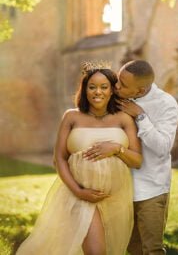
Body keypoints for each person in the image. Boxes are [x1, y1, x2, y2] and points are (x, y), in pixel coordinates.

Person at [16, 62, 142, 255]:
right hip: (81, 197)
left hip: (116, 199)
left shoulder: (124, 119)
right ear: (85, 90)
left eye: (103, 87)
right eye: (92, 87)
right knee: (96, 252)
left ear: (111, 91)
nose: (97, 92)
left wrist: (117, 149)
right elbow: (59, 158)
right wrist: (78, 191)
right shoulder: (72, 117)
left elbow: (137, 160)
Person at [84, 60, 178, 255]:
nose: (116, 86)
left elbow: (162, 147)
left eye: (123, 85)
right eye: (118, 80)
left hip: (151, 189)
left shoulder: (166, 104)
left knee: (151, 249)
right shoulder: (117, 97)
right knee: (130, 248)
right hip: (119, 188)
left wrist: (141, 116)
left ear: (140, 90)